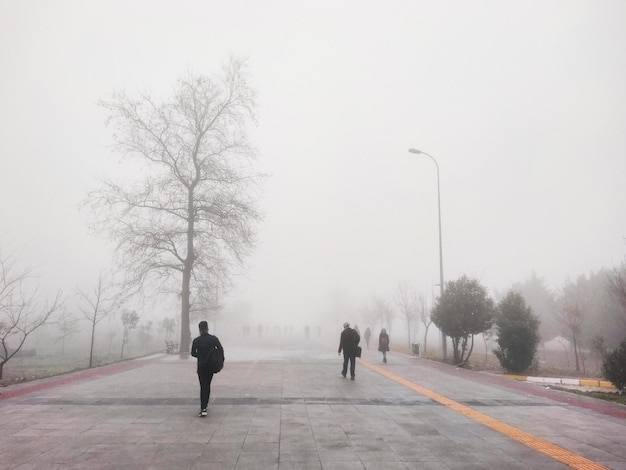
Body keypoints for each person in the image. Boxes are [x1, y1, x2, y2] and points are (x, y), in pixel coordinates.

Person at [190, 320, 224, 417]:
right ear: (207, 328)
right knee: (207, 385)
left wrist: (200, 356)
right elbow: (221, 349)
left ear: (199, 329)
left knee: (202, 386)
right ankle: (205, 405)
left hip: (201, 366)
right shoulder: (213, 339)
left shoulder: (196, 340)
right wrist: (220, 360)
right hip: (211, 365)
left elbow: (193, 353)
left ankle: (203, 407)